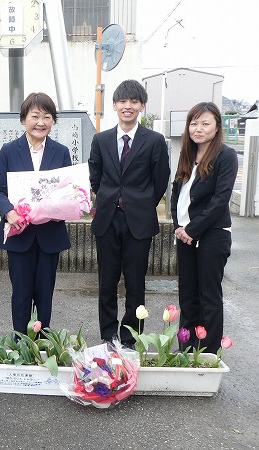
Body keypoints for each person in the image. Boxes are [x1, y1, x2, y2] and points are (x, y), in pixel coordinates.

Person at [89, 79, 170, 347]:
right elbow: (95, 177)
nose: (128, 106)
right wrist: (109, 199)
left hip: (139, 221)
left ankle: (130, 336)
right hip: (108, 220)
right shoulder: (100, 140)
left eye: (134, 101)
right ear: (114, 105)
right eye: (122, 101)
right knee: (107, 281)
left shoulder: (155, 141)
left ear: (142, 106)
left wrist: (141, 203)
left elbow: (160, 180)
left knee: (136, 283)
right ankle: (108, 334)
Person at [0, 92, 72, 334]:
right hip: (19, 234)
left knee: (45, 294)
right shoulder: (9, 151)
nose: (41, 122)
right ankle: (20, 343)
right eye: (35, 116)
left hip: (50, 234)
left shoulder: (61, 152)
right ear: (23, 119)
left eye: (47, 117)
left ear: (53, 121)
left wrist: (62, 208)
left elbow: (68, 191)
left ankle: (41, 342)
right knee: (21, 294)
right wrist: (9, 212)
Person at [170, 102, 238, 354]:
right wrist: (179, 227)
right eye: (194, 123)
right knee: (188, 295)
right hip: (185, 235)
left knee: (208, 296)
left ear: (217, 126)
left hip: (212, 236)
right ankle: (187, 348)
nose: (198, 129)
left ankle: (208, 353)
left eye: (205, 123)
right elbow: (177, 193)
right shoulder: (187, 154)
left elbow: (221, 199)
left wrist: (193, 229)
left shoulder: (225, 156)